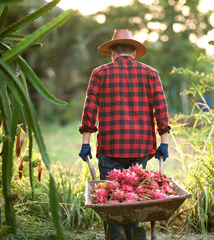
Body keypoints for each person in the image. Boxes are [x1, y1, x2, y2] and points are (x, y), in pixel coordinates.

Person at [78, 29, 171, 240]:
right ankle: (132, 231)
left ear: (112, 52)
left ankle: (115, 234)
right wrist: (164, 143)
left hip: (110, 147)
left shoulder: (99, 73)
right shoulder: (151, 73)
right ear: (134, 52)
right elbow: (161, 109)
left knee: (111, 198)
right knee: (135, 195)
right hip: (140, 147)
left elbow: (89, 110)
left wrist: (86, 143)